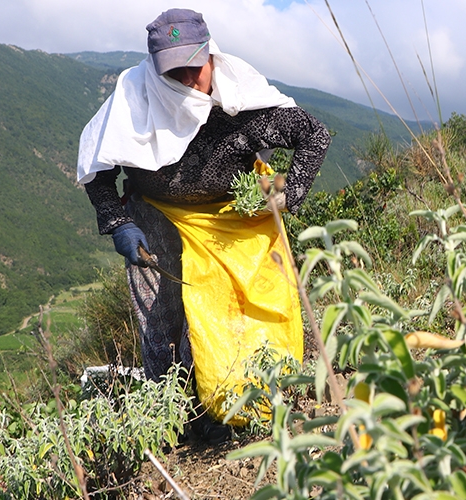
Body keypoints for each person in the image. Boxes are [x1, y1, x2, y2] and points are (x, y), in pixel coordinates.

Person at [76, 8, 330, 442]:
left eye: (196, 66)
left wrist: (293, 190)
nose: (189, 79)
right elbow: (99, 171)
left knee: (229, 311)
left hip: (232, 217)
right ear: (157, 71)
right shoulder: (136, 98)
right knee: (161, 317)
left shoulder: (243, 105)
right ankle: (165, 419)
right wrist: (117, 221)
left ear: (211, 53)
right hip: (156, 215)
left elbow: (314, 135)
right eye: (176, 73)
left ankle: (233, 406)